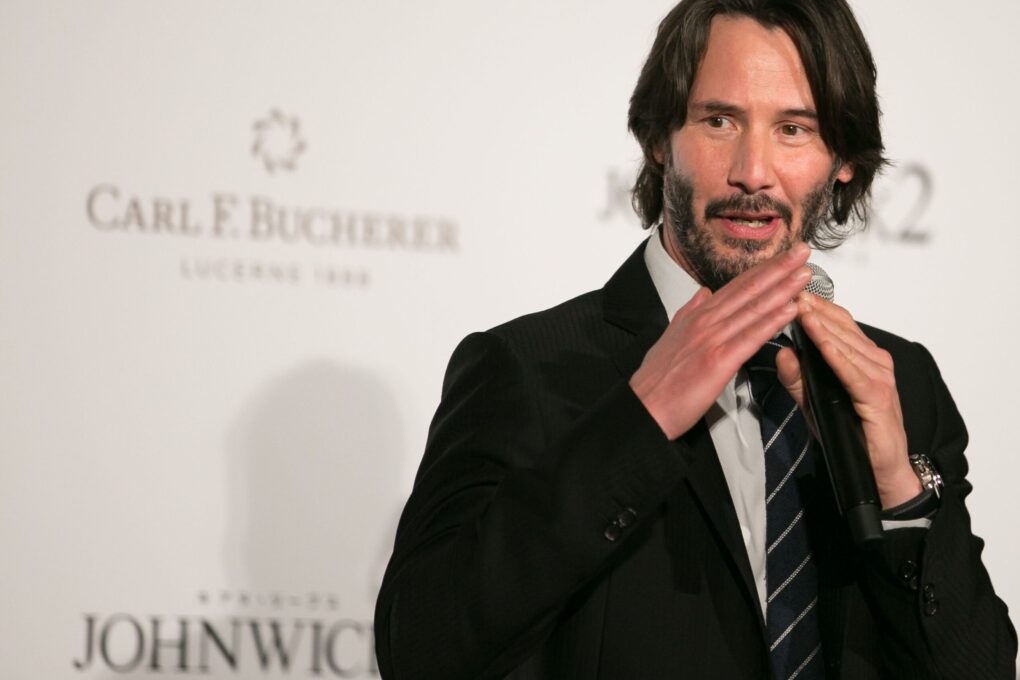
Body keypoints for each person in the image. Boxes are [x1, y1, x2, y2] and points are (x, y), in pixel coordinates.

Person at [374, 0, 1017, 677]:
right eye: (719, 120)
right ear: (659, 139)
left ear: (844, 161)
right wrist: (639, 419)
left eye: (794, 129)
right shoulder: (528, 369)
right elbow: (419, 648)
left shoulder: (901, 381)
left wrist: (898, 492)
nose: (753, 172)